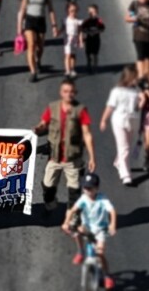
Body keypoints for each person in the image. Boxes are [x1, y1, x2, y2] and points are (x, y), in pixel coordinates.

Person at [34, 78, 97, 210]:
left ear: (75, 93)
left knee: (74, 191)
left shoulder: (80, 110)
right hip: (54, 157)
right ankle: (50, 201)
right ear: (61, 92)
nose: (69, 94)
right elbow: (43, 124)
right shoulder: (53, 108)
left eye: (71, 91)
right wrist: (38, 129)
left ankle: (73, 215)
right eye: (66, 91)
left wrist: (92, 157)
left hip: (72, 159)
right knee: (47, 185)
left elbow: (87, 134)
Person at [62, 172, 117, 288]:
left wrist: (112, 225)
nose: (87, 191)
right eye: (85, 188)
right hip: (87, 228)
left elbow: (112, 211)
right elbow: (73, 210)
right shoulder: (83, 199)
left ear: (97, 188)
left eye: (90, 188)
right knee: (76, 232)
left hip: (100, 230)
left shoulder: (102, 199)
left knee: (100, 253)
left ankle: (107, 275)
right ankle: (80, 252)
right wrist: (66, 222)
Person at [100, 66, 141, 186]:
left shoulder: (136, 91)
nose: (137, 80)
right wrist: (104, 119)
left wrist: (141, 101)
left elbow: (137, 108)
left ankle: (119, 161)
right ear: (128, 78)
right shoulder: (117, 91)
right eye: (135, 77)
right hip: (119, 121)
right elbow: (110, 106)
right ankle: (125, 175)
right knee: (124, 148)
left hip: (132, 121)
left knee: (126, 145)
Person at [18, 0, 59, 82]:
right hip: (30, 20)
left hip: (41, 21)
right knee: (31, 45)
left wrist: (54, 26)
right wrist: (19, 28)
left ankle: (38, 60)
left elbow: (51, 10)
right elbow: (22, 10)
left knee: (40, 46)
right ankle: (33, 72)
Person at [81, 4, 106, 74]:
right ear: (88, 12)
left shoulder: (99, 20)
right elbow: (82, 28)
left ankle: (95, 66)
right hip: (89, 39)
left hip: (96, 39)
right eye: (91, 12)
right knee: (88, 53)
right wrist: (87, 32)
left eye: (94, 12)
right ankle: (89, 63)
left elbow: (103, 28)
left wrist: (97, 31)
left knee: (95, 53)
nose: (92, 14)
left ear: (97, 12)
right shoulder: (87, 21)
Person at [63, 0, 82, 78]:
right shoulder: (66, 20)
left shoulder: (78, 21)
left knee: (73, 55)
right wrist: (57, 32)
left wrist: (80, 41)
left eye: (75, 11)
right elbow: (63, 28)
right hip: (68, 39)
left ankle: (72, 69)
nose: (73, 13)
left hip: (75, 39)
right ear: (68, 11)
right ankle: (67, 70)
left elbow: (80, 31)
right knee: (67, 54)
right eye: (71, 11)